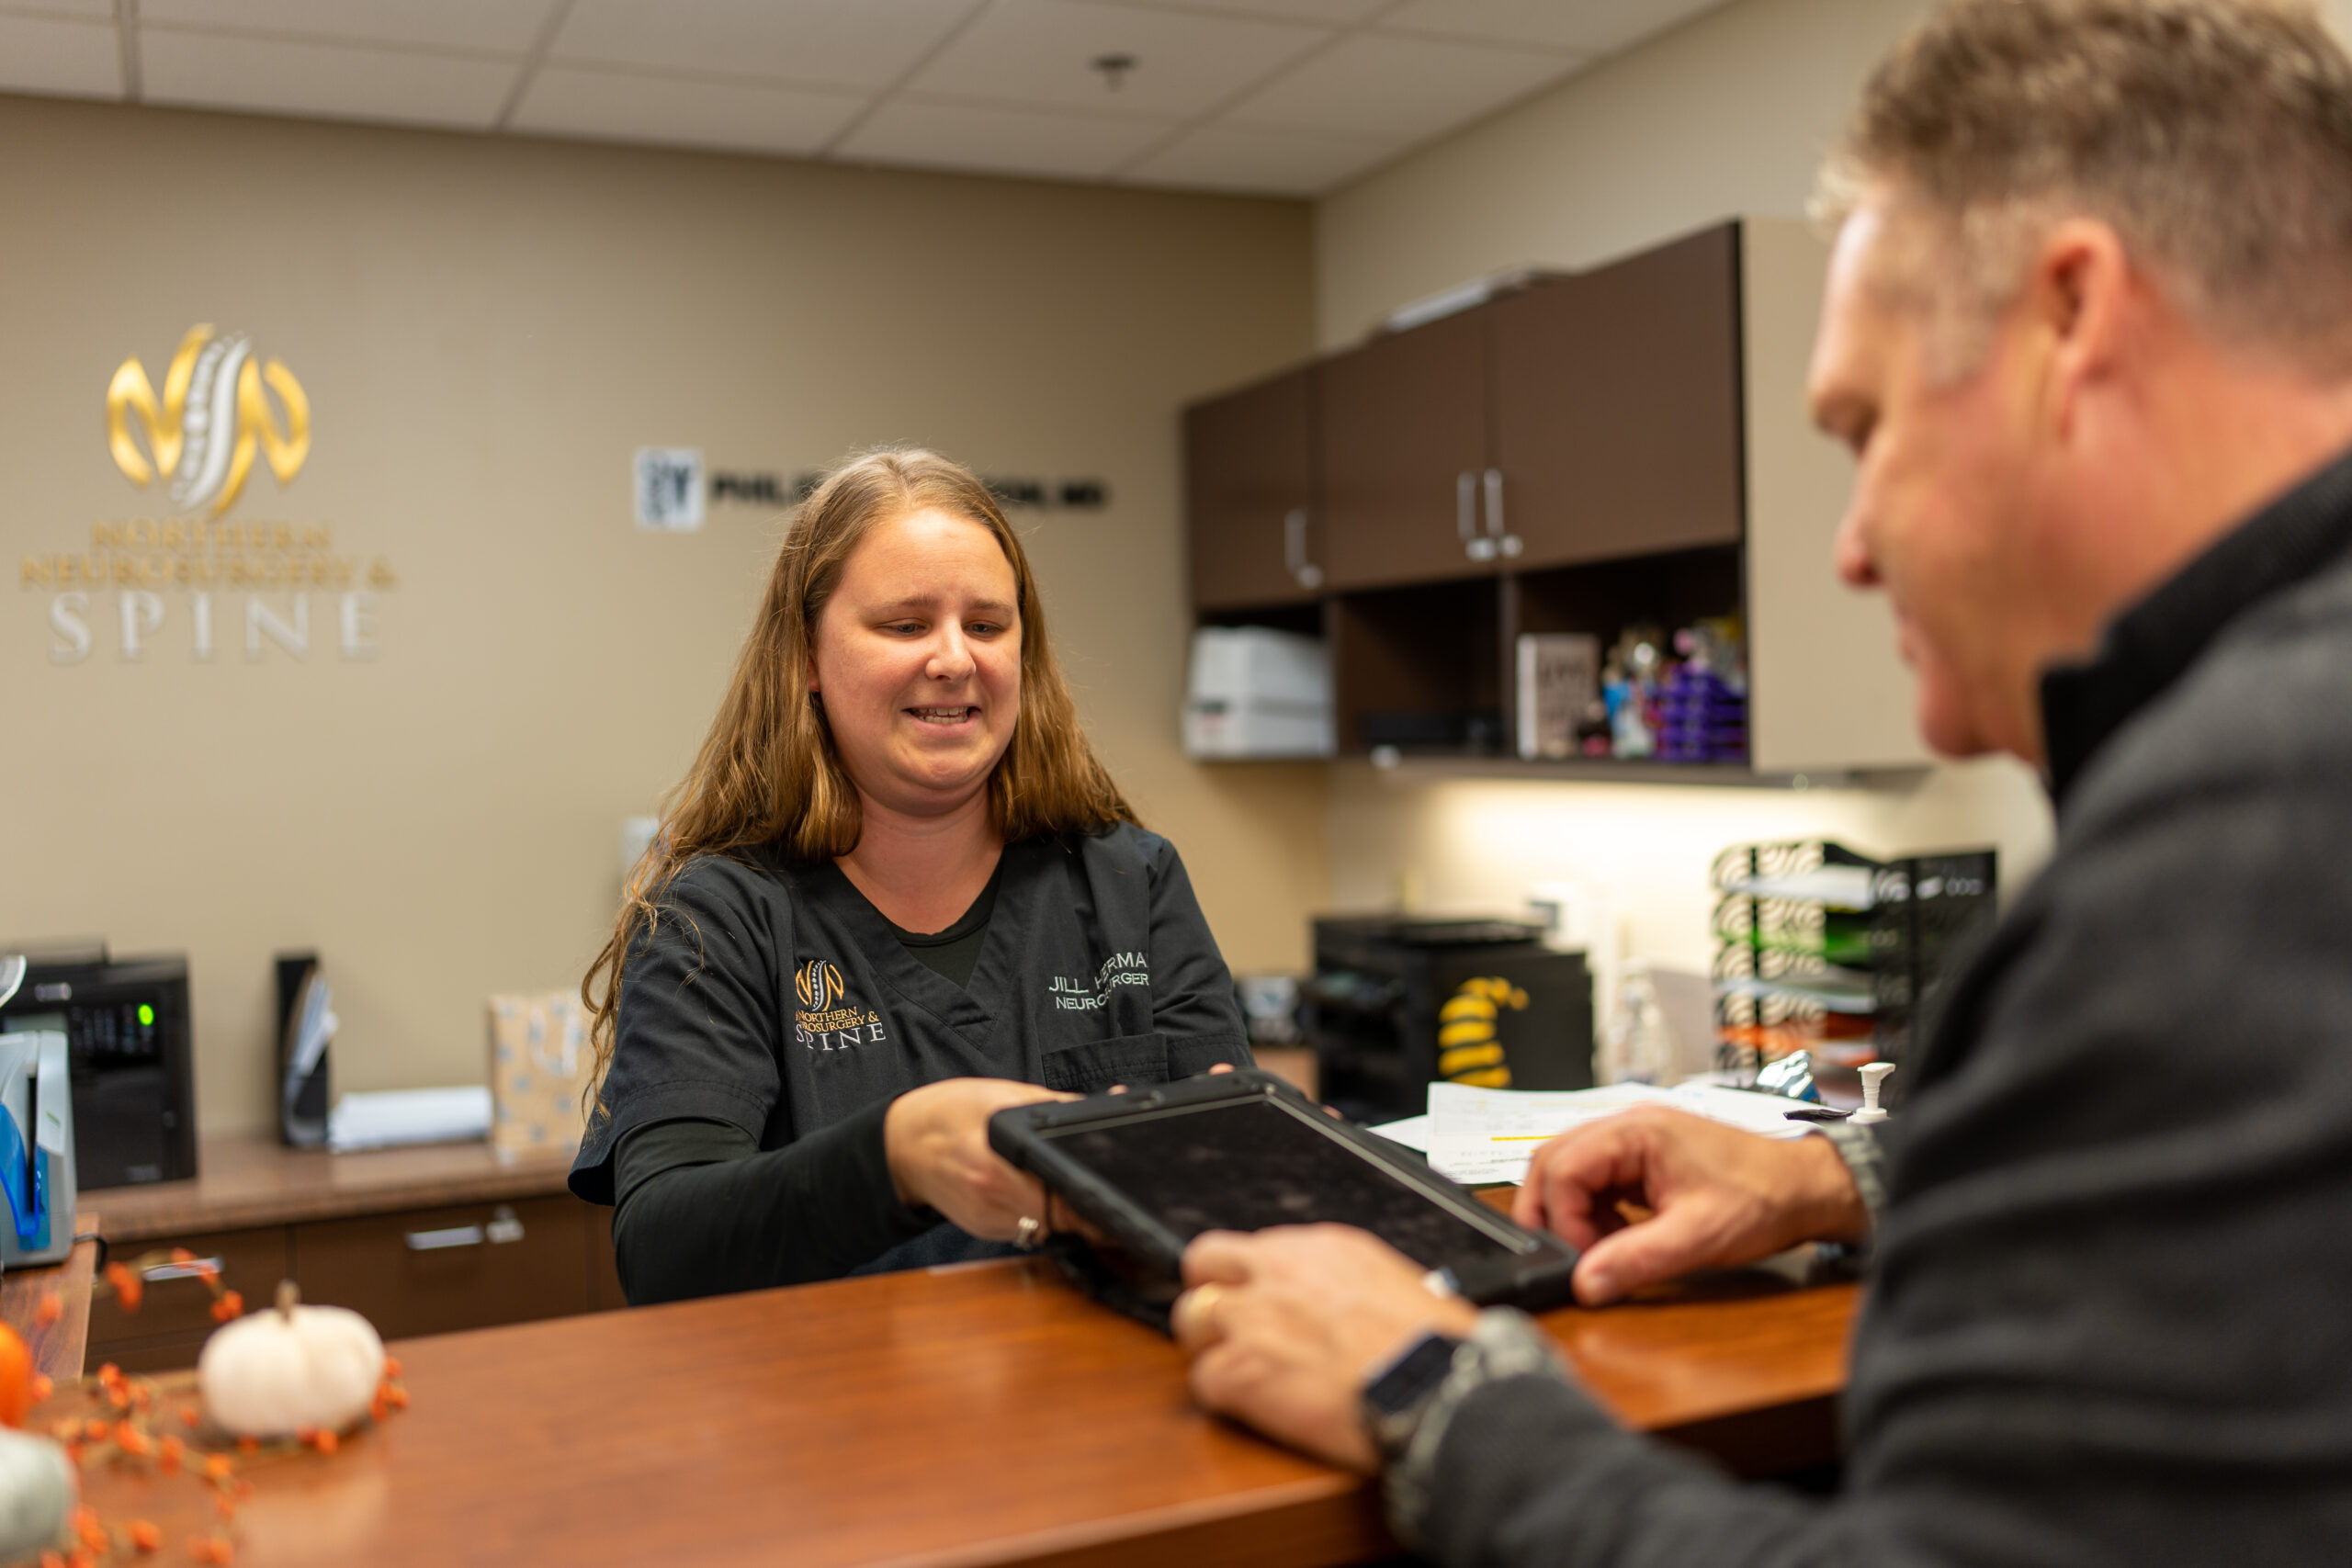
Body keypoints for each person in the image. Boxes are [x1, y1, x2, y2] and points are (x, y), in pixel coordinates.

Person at [1169, 0, 2352, 1561]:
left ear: (2073, 319)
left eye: (1864, 428)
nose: (1850, 542)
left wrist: (1433, 1394)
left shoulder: (2234, 842)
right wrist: (1831, 1172)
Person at [568, 448, 1251, 1303]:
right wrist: (897, 1158)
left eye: (988, 624)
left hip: (1098, 1403)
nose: (955, 659)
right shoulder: (719, 917)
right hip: (833, 1417)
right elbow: (667, 1251)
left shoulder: (1130, 883)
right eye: (905, 624)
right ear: (806, 659)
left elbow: (1235, 1190)